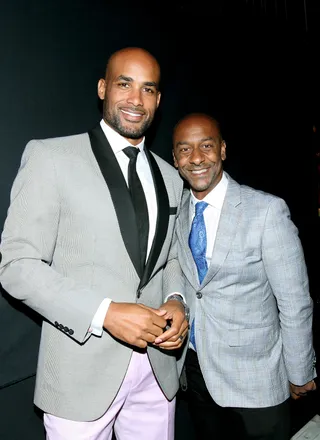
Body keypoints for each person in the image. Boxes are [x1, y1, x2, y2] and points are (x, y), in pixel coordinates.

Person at [0, 47, 189, 440]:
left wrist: (176, 300)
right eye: (125, 84)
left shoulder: (172, 178)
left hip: (158, 371)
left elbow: (170, 258)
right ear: (103, 88)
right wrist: (104, 313)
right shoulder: (51, 157)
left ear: (158, 99)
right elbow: (16, 266)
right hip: (80, 373)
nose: (136, 100)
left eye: (148, 89)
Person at [172, 112, 317, 440]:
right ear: (175, 158)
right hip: (196, 373)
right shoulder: (175, 213)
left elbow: (294, 301)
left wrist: (300, 371)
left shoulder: (266, 211)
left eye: (206, 146)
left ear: (222, 149)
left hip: (256, 376)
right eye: (185, 149)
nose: (196, 158)